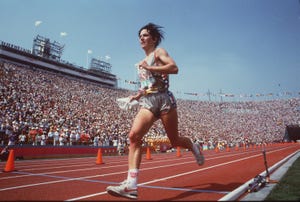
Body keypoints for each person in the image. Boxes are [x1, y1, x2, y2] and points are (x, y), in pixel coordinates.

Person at [106, 22, 205, 200]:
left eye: (144, 35)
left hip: (165, 100)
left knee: (175, 141)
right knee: (134, 136)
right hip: (149, 101)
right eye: (140, 36)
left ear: (154, 38)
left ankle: (191, 145)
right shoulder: (139, 64)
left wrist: (151, 67)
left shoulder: (159, 52)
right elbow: (147, 86)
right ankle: (131, 185)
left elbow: (174, 68)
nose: (141, 39)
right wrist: (135, 97)